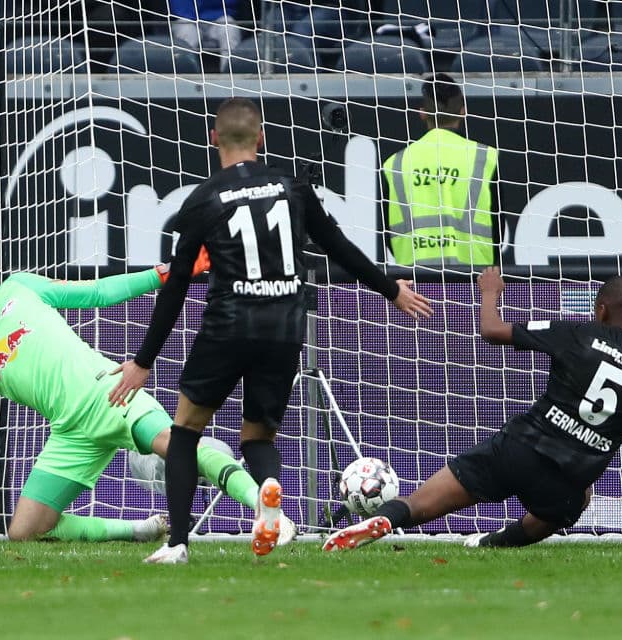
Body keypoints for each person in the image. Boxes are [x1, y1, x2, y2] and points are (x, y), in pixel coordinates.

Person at [109, 97, 433, 564]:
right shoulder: (291, 187)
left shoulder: (202, 200)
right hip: (284, 327)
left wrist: (142, 362)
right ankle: (270, 498)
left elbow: (177, 285)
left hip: (228, 326)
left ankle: (178, 542)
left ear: (213, 139)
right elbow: (338, 245)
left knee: (184, 432)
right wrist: (390, 290)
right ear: (261, 138)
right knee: (258, 438)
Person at [323, 268, 622, 551]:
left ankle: (386, 519)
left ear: (600, 309)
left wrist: (490, 290)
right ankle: (489, 546)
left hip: (516, 449)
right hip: (564, 482)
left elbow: (492, 330)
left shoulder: (578, 333)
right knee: (574, 505)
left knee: (423, 503)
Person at [0, 256, 297, 546]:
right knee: (24, 531)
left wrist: (163, 274)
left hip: (109, 393)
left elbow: (95, 293)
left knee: (174, 445)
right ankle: (138, 530)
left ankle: (265, 510)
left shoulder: (19, 288)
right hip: (70, 433)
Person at [382, 72, 502, 268]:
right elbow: (498, 224)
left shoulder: (395, 163)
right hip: (474, 279)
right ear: (463, 111)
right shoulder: (485, 157)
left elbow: (386, 230)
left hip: (414, 284)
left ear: (422, 113)